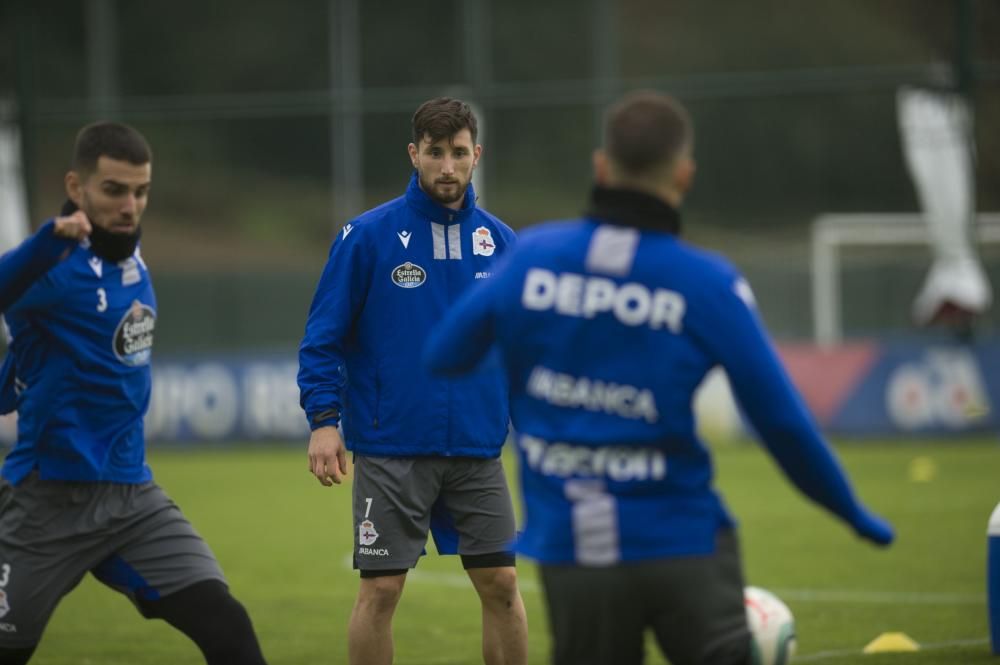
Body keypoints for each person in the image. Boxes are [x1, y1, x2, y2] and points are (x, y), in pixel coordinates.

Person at [424, 91, 895, 665]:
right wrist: (854, 514)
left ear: (601, 167)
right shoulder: (706, 282)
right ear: (684, 175)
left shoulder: (536, 257)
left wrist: (543, 360)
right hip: (683, 545)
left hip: (576, 553)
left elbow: (445, 353)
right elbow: (782, 423)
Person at [0, 122, 268, 665]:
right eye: (114, 190)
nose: (130, 205)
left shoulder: (131, 258)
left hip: (131, 500)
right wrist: (41, 244)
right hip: (47, 503)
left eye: (141, 191)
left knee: (228, 628)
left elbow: (51, 354)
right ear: (77, 188)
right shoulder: (51, 268)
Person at [298, 97, 528, 665]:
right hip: (392, 448)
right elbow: (321, 337)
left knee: (501, 585)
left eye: (457, 153)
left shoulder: (502, 245)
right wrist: (324, 422)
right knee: (381, 590)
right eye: (434, 153)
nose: (446, 167)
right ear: (414, 154)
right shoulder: (367, 238)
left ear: (477, 155)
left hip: (477, 450)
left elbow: (524, 349)